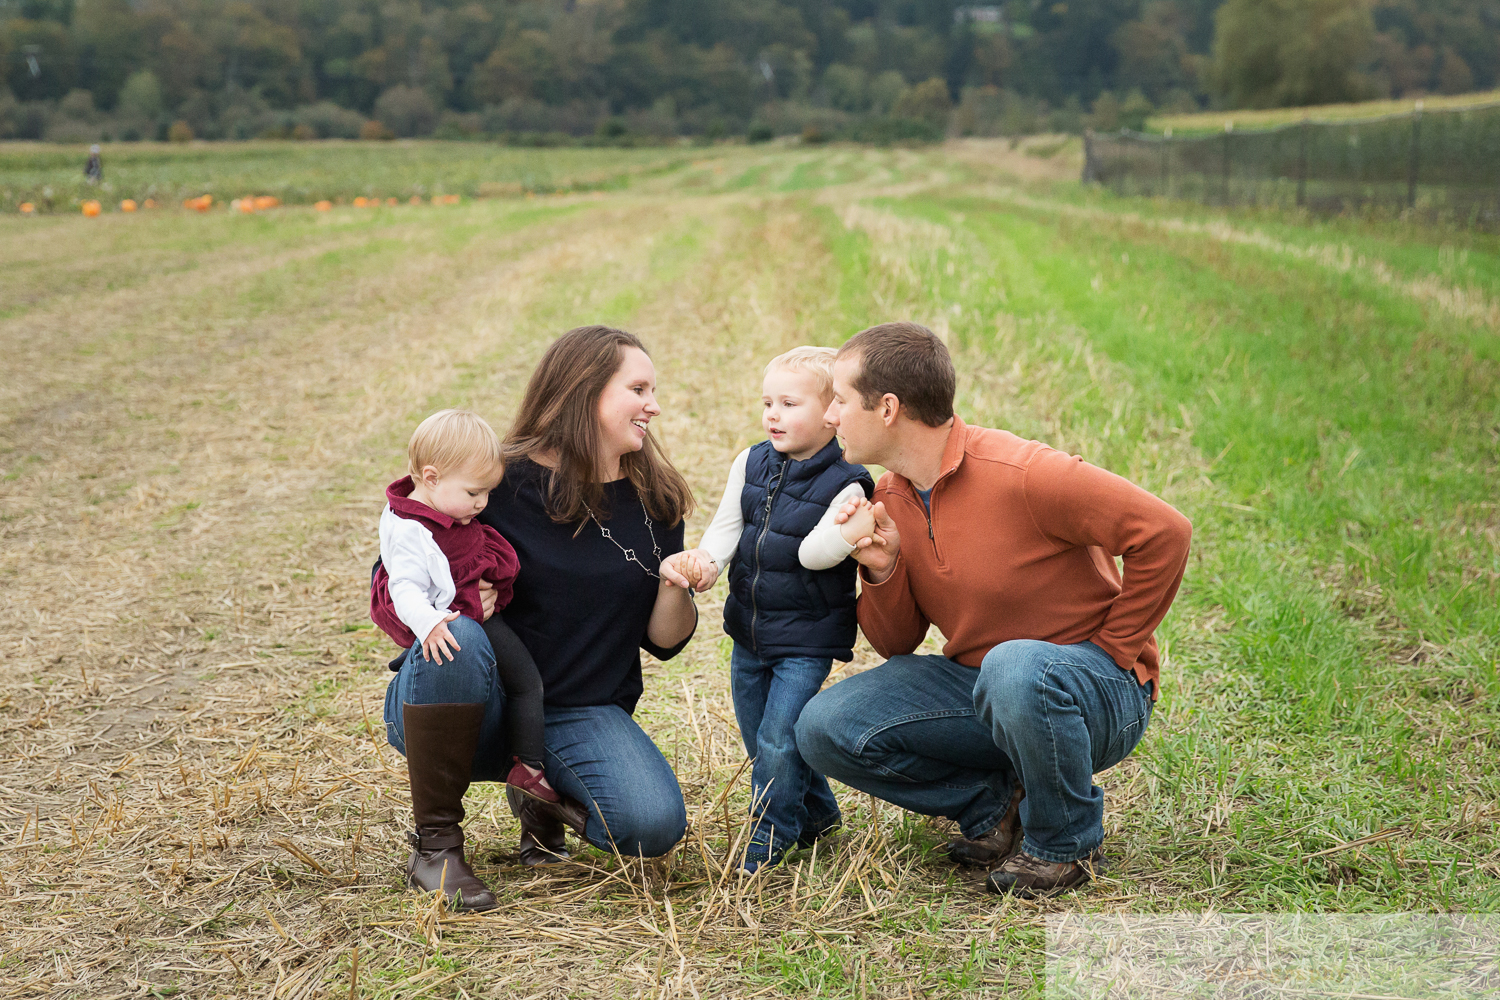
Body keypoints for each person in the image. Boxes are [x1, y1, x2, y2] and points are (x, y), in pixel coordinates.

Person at [794, 322, 1192, 899]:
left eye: (839, 399)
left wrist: (1114, 650)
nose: (829, 415)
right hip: (988, 689)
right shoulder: (893, 498)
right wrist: (882, 569)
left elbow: (1166, 532)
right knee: (823, 727)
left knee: (1015, 667)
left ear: (886, 408)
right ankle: (996, 805)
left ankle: (1064, 843)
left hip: (1099, 693)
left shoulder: (1025, 474)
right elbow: (897, 642)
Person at [378, 325, 702, 908]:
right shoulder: (497, 482)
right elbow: (393, 579)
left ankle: (540, 794)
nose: (654, 405)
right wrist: (456, 601)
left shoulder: (655, 496)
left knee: (652, 825)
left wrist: (676, 587)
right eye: (639, 388)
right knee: (462, 635)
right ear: (586, 392)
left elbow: (664, 641)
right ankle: (436, 848)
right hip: (469, 699)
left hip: (579, 709)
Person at [674, 347, 875, 874]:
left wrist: (847, 532)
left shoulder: (847, 482)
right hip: (750, 629)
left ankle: (771, 834)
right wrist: (710, 563)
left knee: (778, 739)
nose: (772, 415)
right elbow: (726, 528)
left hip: (806, 639)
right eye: (768, 402)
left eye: (789, 403)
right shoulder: (752, 460)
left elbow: (813, 555)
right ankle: (817, 813)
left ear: (833, 411)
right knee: (757, 735)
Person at [370, 409, 561, 912]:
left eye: (487, 494)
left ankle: (532, 787)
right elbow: (403, 587)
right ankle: (436, 845)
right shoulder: (408, 527)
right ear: (430, 479)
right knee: (459, 642)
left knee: (527, 682)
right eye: (474, 494)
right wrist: (429, 623)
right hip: (449, 626)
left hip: (478, 614)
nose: (482, 505)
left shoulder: (453, 504)